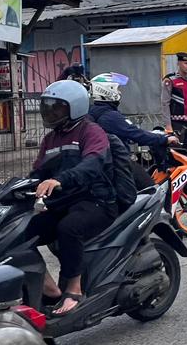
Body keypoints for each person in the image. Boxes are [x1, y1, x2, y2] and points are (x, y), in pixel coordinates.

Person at [22, 79, 117, 316]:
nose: (50, 112)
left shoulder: (91, 132)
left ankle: (74, 290)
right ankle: (50, 290)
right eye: (48, 107)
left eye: (57, 107)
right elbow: (38, 171)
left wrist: (60, 180)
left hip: (96, 200)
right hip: (63, 202)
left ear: (74, 107)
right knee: (23, 233)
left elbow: (93, 164)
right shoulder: (51, 139)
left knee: (69, 229)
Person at [90, 72, 175, 163]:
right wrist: (164, 139)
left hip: (104, 161)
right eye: (117, 89)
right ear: (107, 90)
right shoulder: (111, 117)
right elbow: (134, 133)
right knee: (143, 177)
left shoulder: (94, 111)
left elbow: (125, 132)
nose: (120, 92)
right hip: (116, 163)